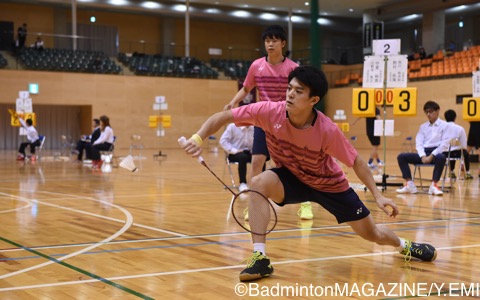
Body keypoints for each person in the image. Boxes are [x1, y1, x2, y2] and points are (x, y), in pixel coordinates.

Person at [181, 66, 437, 282]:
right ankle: (260, 258)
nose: (290, 94)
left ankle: (406, 246)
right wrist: (197, 138)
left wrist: (378, 195)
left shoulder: (326, 130)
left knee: (373, 234)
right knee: (258, 182)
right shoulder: (269, 112)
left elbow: (356, 161)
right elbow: (222, 117)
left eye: (299, 91)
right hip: (291, 177)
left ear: (313, 100)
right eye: (290, 88)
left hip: (329, 185)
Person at [223, 25, 314, 220]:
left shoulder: (292, 68)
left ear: (283, 43)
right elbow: (247, 88)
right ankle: (254, 205)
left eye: (274, 40)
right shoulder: (257, 66)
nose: (270, 44)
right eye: (267, 41)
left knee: (293, 164)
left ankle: (306, 203)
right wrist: (233, 102)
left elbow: (300, 92)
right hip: (263, 120)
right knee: (257, 163)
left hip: (286, 120)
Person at [396, 101, 449, 196]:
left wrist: (432, 155)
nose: (428, 114)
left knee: (442, 157)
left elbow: (445, 144)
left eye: (431, 111)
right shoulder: (423, 127)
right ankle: (410, 184)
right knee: (402, 156)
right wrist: (423, 156)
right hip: (424, 152)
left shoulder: (445, 126)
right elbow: (419, 143)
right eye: (426, 112)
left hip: (436, 153)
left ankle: (434, 185)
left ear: (437, 111)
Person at [219, 123, 253, 192]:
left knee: (261, 156)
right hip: (234, 154)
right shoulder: (232, 126)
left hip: (249, 153)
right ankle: (243, 183)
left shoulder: (254, 128)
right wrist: (234, 150)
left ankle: (260, 183)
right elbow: (223, 141)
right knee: (242, 157)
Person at [443, 110, 472, 180]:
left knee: (451, 152)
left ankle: (451, 172)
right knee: (465, 153)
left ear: (445, 118)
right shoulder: (460, 128)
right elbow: (464, 145)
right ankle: (467, 173)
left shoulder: (442, 128)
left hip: (445, 153)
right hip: (457, 153)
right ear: (455, 118)